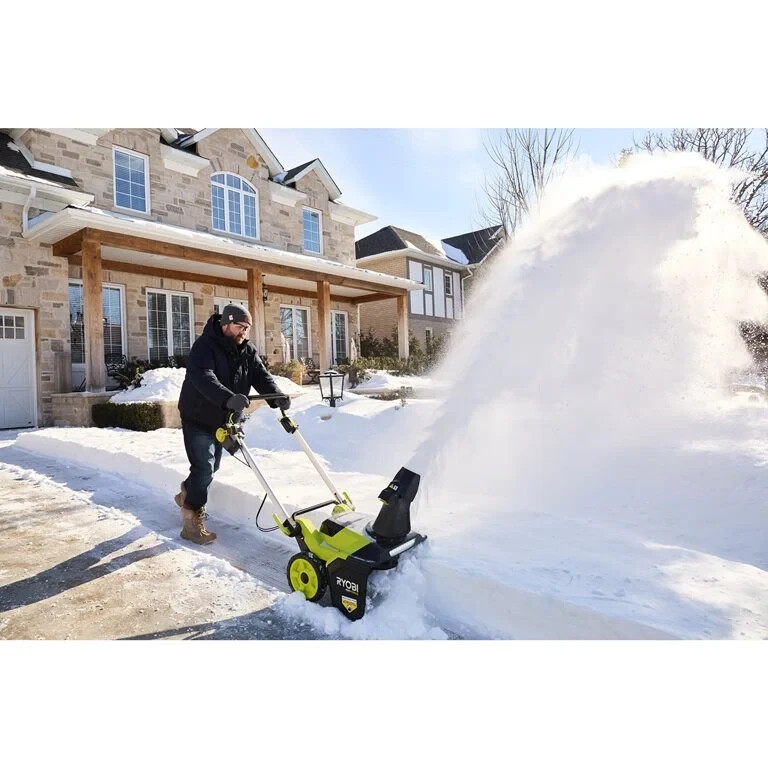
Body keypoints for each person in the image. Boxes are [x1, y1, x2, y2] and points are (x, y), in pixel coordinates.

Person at [175, 304, 290, 544]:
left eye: (247, 328)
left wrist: (276, 396)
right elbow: (203, 377)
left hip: (224, 419)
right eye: (240, 327)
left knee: (212, 467)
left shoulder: (247, 349)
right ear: (226, 323)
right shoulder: (204, 346)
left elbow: (261, 375)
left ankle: (188, 492)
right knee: (204, 468)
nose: (244, 332)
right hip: (198, 416)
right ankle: (191, 519)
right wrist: (228, 398)